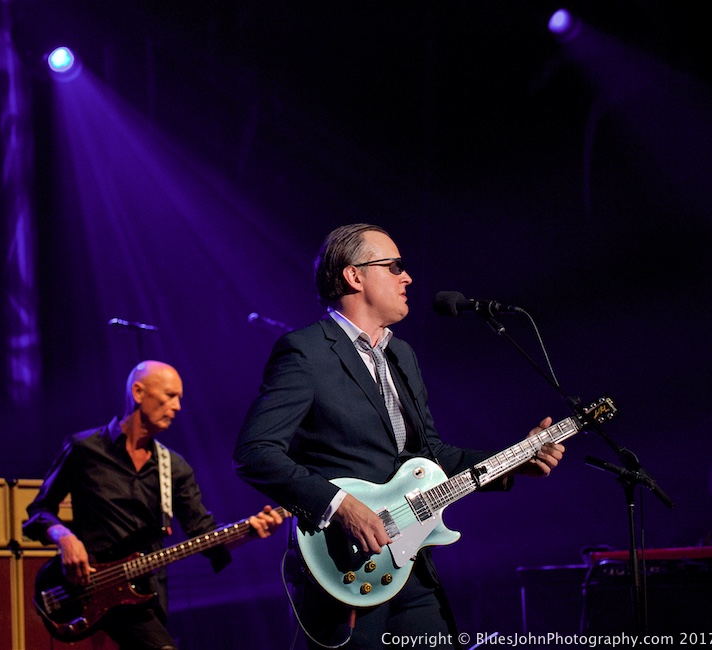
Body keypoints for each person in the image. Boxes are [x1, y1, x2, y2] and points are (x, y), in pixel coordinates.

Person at [233, 223, 564, 649]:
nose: (407, 277)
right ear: (354, 276)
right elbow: (255, 451)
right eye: (394, 267)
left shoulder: (401, 355)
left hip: (411, 566)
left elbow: (431, 456)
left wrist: (515, 461)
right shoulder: (306, 351)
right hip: (345, 569)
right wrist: (340, 506)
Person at [24, 360, 283, 650]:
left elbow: (204, 536)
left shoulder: (173, 467)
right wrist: (65, 538)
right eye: (170, 396)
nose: (178, 407)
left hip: (144, 594)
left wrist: (250, 531)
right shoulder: (83, 449)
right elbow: (38, 511)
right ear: (138, 392)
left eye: (180, 398)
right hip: (84, 588)